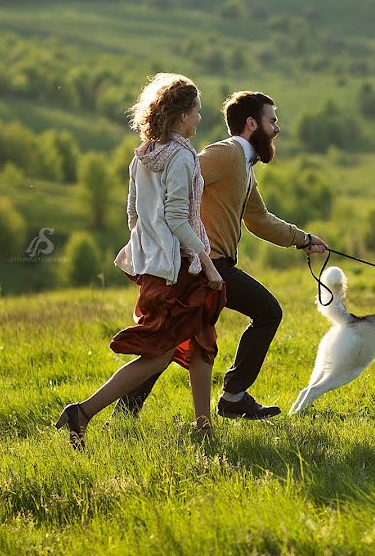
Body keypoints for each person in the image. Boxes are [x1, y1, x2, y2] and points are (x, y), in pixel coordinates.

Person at [114, 90, 328, 420]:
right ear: (251, 124)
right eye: (272, 121)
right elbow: (178, 175)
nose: (277, 128)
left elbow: (259, 220)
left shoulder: (243, 166)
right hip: (204, 262)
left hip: (214, 262)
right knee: (267, 312)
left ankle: (129, 414)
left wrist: (304, 239)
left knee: (173, 338)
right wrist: (153, 232)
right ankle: (233, 396)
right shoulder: (226, 154)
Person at [56, 73, 227, 449]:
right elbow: (178, 217)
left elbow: (134, 213)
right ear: (182, 115)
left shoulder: (143, 155)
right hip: (178, 268)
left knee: (201, 342)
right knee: (160, 352)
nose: (200, 118)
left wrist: (150, 250)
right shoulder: (181, 157)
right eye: (197, 111)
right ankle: (82, 412)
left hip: (157, 265)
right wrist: (208, 263)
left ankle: (204, 428)